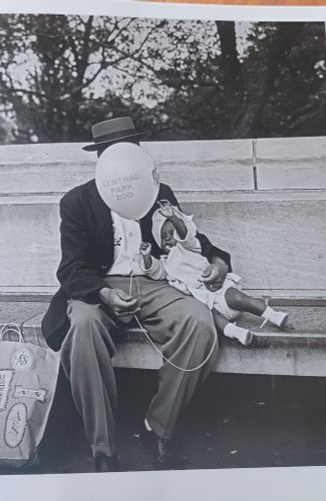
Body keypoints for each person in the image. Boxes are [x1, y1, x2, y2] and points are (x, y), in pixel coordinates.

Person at [40, 116, 233, 472]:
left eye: (130, 149)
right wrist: (104, 294)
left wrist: (217, 261)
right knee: (82, 328)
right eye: (114, 151)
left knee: (200, 324)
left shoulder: (159, 192)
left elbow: (191, 238)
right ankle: (103, 448)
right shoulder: (77, 201)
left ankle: (159, 427)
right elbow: (72, 268)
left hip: (155, 284)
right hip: (100, 288)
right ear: (100, 156)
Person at [138, 201, 289, 346]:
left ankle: (272, 315)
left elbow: (186, 235)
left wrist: (173, 217)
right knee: (210, 317)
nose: (169, 239)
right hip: (204, 301)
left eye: (172, 233)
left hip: (218, 290)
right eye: (164, 237)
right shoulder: (165, 263)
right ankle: (236, 332)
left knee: (239, 298)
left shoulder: (189, 247)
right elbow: (154, 270)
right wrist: (146, 256)